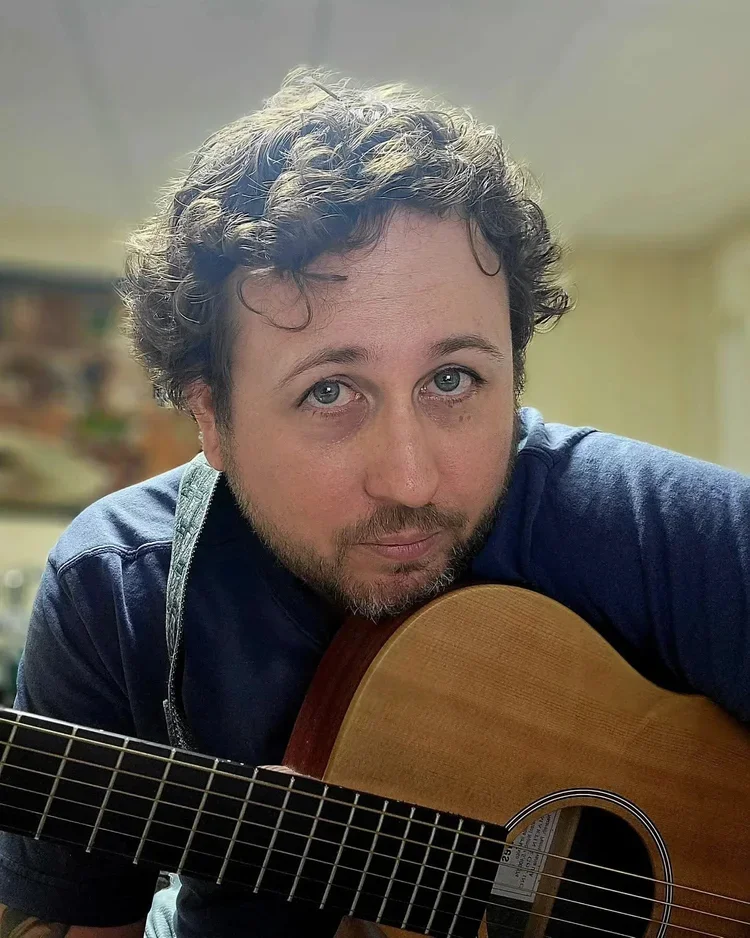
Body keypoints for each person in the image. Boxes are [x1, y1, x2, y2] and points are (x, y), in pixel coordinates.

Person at [0, 67, 748, 938]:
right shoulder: (118, 589)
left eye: (453, 379)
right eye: (330, 392)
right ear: (211, 416)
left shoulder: (651, 528)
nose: (410, 479)